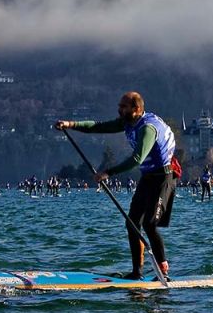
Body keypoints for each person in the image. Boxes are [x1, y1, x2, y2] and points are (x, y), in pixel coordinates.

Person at [54, 92, 179, 280]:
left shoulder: (147, 129)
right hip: (148, 177)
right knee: (132, 223)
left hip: (164, 177)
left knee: (149, 224)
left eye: (124, 107)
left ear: (136, 109)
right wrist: (71, 125)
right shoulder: (127, 122)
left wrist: (108, 173)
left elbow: (137, 159)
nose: (119, 110)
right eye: (120, 106)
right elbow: (99, 127)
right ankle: (137, 272)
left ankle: (163, 272)